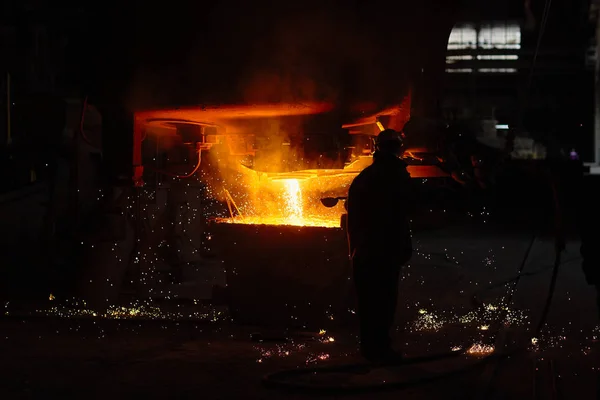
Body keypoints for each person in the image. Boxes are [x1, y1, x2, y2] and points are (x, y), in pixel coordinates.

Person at [346, 128, 414, 363]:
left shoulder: (364, 176)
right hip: (385, 250)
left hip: (363, 251)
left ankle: (369, 348)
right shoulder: (396, 174)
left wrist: (353, 249)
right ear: (398, 148)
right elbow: (404, 211)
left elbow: (352, 214)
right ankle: (381, 349)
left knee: (367, 302)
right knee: (384, 301)